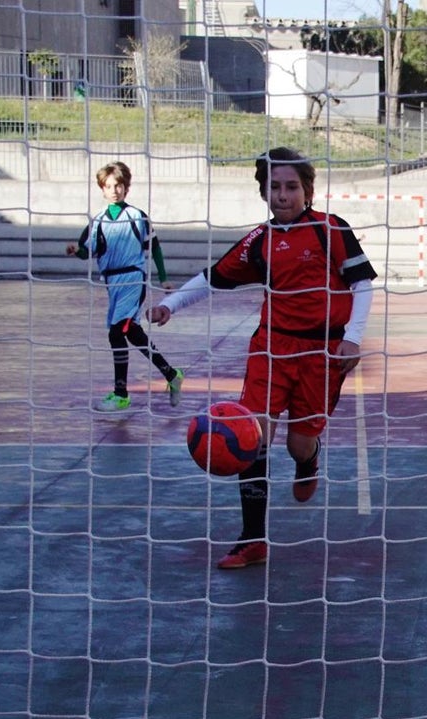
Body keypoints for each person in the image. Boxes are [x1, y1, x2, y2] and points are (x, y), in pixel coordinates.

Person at [148, 147, 378, 570]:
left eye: (291, 187)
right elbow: (213, 277)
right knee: (251, 437)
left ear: (308, 190)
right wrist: (171, 306)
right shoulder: (260, 240)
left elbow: (362, 284)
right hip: (271, 349)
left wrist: (353, 339)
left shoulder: (331, 229)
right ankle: (253, 539)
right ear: (263, 192)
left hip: (322, 354)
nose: (283, 195)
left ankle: (308, 459)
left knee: (297, 442)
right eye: (275, 187)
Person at [66, 161, 183, 412]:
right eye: (109, 186)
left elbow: (156, 247)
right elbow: (88, 252)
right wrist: (76, 251)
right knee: (132, 333)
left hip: (133, 279)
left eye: (118, 185)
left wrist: (163, 278)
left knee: (116, 332)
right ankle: (172, 374)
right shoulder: (97, 222)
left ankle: (121, 394)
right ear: (102, 189)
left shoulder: (138, 216)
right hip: (112, 283)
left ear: (126, 187)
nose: (114, 190)